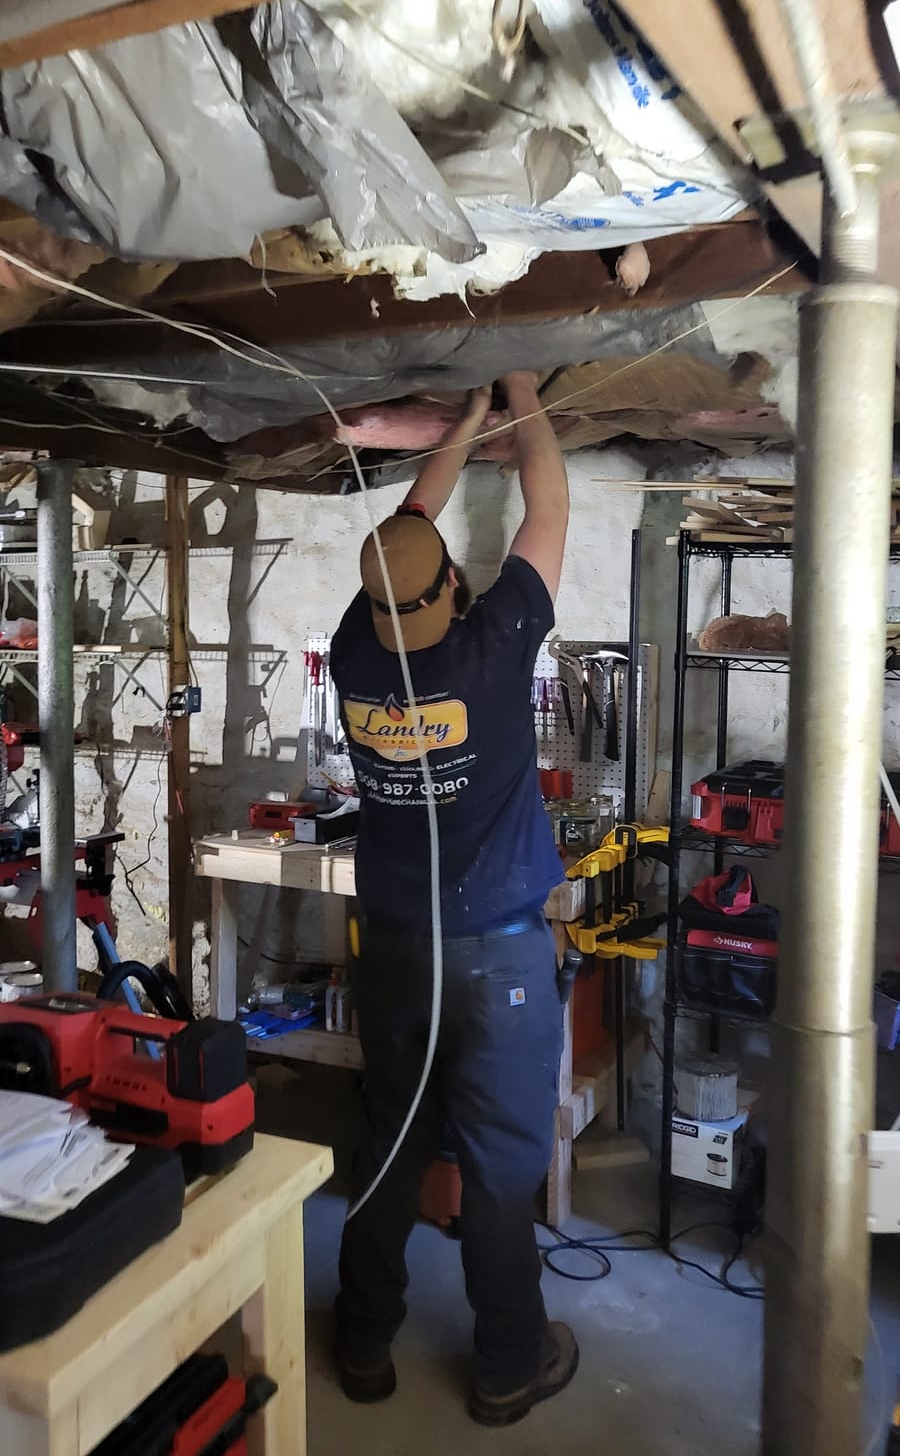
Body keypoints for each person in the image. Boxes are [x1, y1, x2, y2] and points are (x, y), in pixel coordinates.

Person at [329, 371, 575, 1428]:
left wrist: (465, 428)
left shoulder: (352, 651)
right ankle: (508, 1360)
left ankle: (363, 1342)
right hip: (501, 958)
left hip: (394, 949)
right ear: (453, 598)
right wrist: (522, 399)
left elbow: (411, 522)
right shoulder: (492, 649)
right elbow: (550, 509)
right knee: (501, 1164)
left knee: (391, 1142)